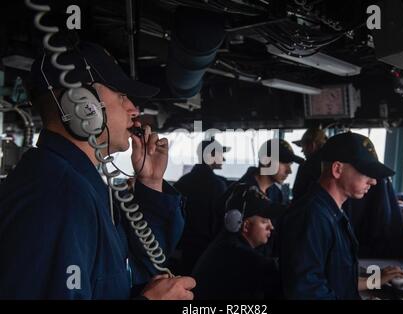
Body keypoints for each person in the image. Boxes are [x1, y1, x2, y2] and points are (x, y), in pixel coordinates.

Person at [0, 42, 195, 299]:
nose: (134, 110)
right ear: (82, 105)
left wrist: (150, 182)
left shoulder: (82, 184)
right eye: (121, 96)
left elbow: (134, 270)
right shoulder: (60, 197)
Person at [281, 132, 403, 300]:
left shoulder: (332, 212)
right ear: (337, 169)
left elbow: (338, 281)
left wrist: (376, 280)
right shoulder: (312, 217)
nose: (374, 181)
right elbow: (307, 292)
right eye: (366, 172)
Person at [192, 184, 281, 299]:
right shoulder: (237, 255)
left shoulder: (224, 245)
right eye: (264, 221)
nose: (271, 227)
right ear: (246, 226)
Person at [174, 137, 230, 274]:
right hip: (207, 249)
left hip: (184, 248)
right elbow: (220, 222)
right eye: (220, 154)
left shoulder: (183, 182)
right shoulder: (217, 185)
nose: (223, 159)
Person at [291, 128, 327, 202]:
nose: (302, 150)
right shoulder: (332, 164)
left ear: (312, 145)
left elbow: (298, 194)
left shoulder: (306, 166)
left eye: (303, 146)